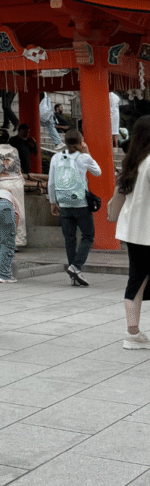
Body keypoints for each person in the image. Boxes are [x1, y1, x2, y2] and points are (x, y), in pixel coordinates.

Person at [112, 116, 150, 348]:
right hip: (147, 231)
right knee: (139, 280)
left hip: (133, 231)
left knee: (136, 280)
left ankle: (133, 332)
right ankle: (132, 334)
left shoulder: (132, 162)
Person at [48, 129, 102, 287]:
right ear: (81, 141)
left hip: (64, 202)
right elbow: (98, 172)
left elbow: (51, 182)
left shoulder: (56, 157)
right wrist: (88, 153)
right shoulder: (83, 157)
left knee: (69, 239)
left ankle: (74, 275)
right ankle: (76, 266)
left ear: (65, 142)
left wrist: (53, 201)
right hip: (80, 203)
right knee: (88, 236)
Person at [0, 129, 27, 248]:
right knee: (18, 210)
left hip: (3, 183)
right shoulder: (14, 150)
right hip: (17, 183)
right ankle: (17, 240)